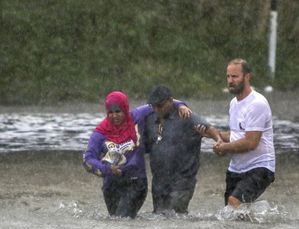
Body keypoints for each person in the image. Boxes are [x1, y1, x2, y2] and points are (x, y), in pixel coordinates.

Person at [83, 90, 190, 218]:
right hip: (111, 185)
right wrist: (107, 169)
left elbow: (163, 102)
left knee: (122, 218)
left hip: (136, 183)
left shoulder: (137, 116)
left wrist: (181, 106)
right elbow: (88, 159)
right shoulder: (100, 132)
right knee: (115, 221)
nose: (114, 116)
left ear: (125, 108)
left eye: (118, 111)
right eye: (110, 112)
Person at [133, 84, 221, 214]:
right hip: (159, 181)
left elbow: (208, 128)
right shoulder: (149, 117)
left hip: (183, 180)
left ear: (170, 101)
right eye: (154, 106)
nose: (157, 109)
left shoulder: (185, 115)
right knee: (159, 217)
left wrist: (218, 141)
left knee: (173, 215)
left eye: (161, 105)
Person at [213, 58, 275, 210]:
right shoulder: (234, 103)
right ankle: (258, 218)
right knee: (230, 212)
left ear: (247, 77)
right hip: (237, 168)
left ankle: (259, 228)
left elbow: (251, 142)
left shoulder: (257, 103)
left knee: (235, 203)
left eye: (235, 76)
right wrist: (215, 135)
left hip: (260, 167)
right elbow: (236, 134)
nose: (230, 81)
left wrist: (224, 148)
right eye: (228, 76)